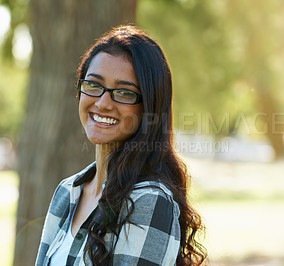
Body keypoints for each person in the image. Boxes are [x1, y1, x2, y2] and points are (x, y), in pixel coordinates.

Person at [35, 25, 207, 266]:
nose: (103, 103)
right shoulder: (67, 191)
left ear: (149, 108)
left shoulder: (149, 202)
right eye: (94, 85)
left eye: (124, 92)